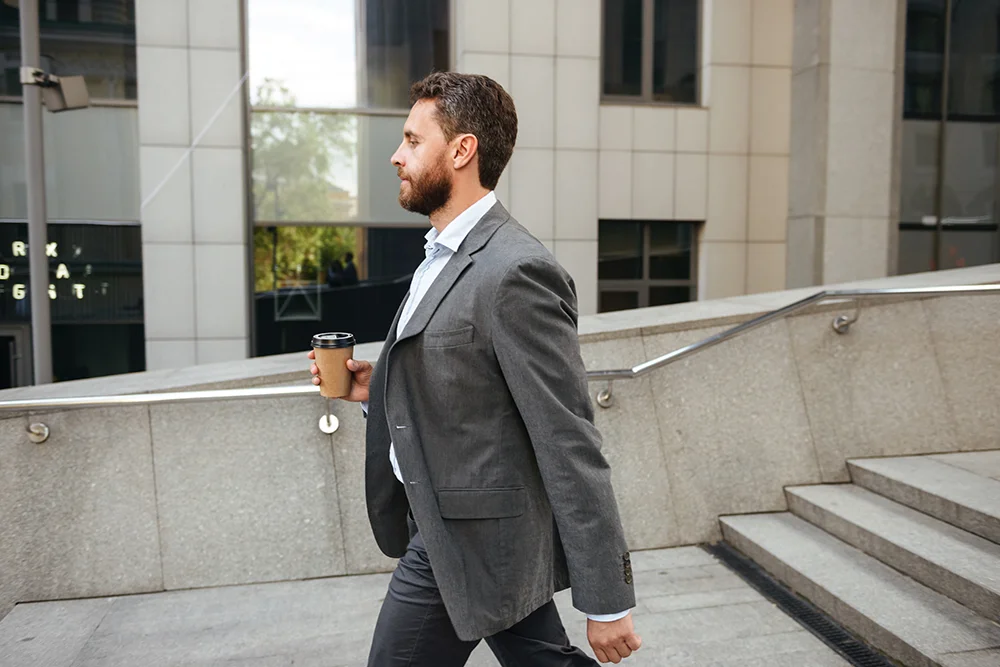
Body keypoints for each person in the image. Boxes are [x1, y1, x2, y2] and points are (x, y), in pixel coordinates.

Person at [307, 72, 641, 666]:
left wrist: (607, 600)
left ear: (462, 151)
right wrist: (377, 389)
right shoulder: (438, 257)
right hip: (450, 523)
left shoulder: (516, 271)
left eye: (412, 140)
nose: (396, 155)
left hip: (465, 538)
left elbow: (567, 437)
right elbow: (468, 385)